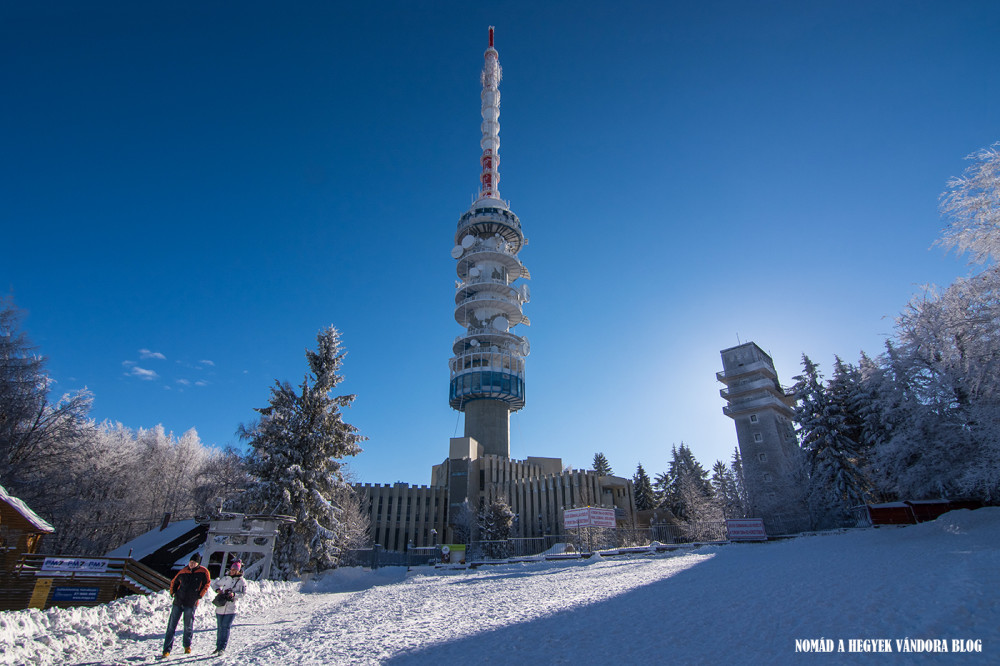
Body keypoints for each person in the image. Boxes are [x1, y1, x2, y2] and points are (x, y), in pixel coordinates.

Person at [161, 552, 211, 658]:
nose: (192, 564)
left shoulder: (203, 571)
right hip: (178, 601)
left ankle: (187, 645)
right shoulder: (183, 571)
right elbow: (174, 582)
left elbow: (207, 583)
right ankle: (166, 650)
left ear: (198, 563)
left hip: (191, 603)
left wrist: (200, 595)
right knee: (171, 626)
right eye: (191, 562)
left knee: (188, 626)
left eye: (194, 563)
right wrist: (173, 593)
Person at [210, 559, 247, 655]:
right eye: (232, 569)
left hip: (231, 608)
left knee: (225, 627)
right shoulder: (226, 578)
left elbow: (243, 594)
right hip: (221, 606)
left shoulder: (241, 581)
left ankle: (222, 648)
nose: (233, 571)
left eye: (235, 569)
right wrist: (218, 590)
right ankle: (218, 647)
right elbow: (215, 584)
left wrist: (234, 594)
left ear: (238, 570)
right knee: (219, 627)